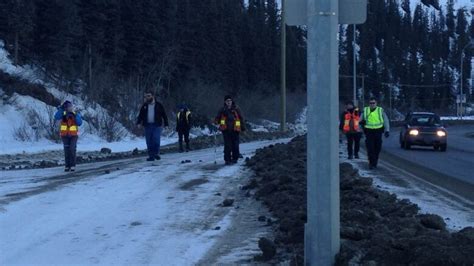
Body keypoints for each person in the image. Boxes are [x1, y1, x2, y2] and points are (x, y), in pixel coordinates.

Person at [136, 91, 169, 161]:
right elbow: (140, 115)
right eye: (146, 96)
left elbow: (164, 115)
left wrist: (166, 124)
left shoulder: (159, 105)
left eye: (148, 96)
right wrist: (138, 123)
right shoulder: (144, 106)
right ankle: (151, 156)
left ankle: (156, 153)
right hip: (147, 126)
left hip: (157, 125)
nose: (147, 97)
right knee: (149, 141)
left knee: (156, 140)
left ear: (152, 96)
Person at [360, 98, 390, 169]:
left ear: (376, 103)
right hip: (368, 131)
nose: (372, 104)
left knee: (377, 148)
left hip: (378, 131)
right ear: (369, 103)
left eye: (373, 103)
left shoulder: (380, 110)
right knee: (370, 148)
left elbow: (386, 121)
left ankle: (375, 162)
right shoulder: (365, 110)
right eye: (371, 103)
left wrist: (387, 130)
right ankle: (371, 163)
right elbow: (359, 120)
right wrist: (360, 128)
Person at [215, 95, 245, 165]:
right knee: (227, 146)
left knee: (235, 145)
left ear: (232, 101)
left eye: (230, 100)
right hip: (226, 130)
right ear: (225, 102)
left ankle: (235, 158)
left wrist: (243, 127)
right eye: (227, 101)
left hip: (235, 130)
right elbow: (217, 118)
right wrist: (216, 121)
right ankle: (227, 159)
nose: (228, 102)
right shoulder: (222, 110)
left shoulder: (236, 109)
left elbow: (241, 118)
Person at [54, 100, 82, 172]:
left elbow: (79, 123)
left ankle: (72, 165)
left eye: (70, 106)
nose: (70, 108)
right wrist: (61, 109)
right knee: (66, 150)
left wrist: (75, 116)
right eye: (68, 106)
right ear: (65, 107)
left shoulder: (75, 113)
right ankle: (67, 165)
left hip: (74, 135)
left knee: (72, 149)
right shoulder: (63, 113)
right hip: (64, 135)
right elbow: (56, 117)